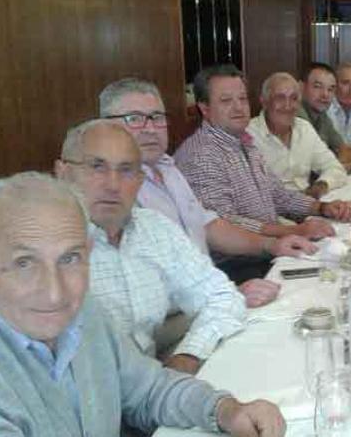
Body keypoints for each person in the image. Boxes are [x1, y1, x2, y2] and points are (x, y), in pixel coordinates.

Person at [0, 172, 286, 437]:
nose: (54, 293)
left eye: (70, 258)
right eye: (24, 263)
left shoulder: (82, 312)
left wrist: (224, 410)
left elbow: (149, 390)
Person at [56, 120, 246, 375]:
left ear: (139, 180)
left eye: (126, 170)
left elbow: (221, 295)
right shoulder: (42, 247)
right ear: (63, 173)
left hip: (152, 390)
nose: (113, 184)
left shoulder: (154, 229)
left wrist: (188, 355)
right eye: (97, 167)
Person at [99, 77, 316, 289]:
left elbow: (209, 225)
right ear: (106, 126)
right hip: (197, 299)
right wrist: (230, 295)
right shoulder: (109, 192)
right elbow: (150, 292)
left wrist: (272, 244)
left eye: (157, 117)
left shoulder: (167, 167)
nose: (150, 128)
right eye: (135, 119)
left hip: (210, 288)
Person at [174, 64, 351, 241]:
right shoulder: (201, 155)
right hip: (241, 262)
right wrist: (294, 231)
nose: (238, 107)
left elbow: (277, 195)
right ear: (204, 109)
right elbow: (225, 225)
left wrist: (322, 207)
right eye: (226, 100)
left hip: (272, 243)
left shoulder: (243, 142)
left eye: (242, 99)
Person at [247, 72, 348, 198]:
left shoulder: (304, 128)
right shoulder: (249, 135)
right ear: (264, 102)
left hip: (308, 205)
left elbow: (335, 168)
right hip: (272, 211)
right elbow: (250, 193)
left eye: (294, 98)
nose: (288, 106)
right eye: (280, 98)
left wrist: (320, 186)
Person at [297, 62, 347, 155]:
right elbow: (314, 160)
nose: (325, 94)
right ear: (301, 87)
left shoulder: (322, 115)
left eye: (330, 89)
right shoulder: (293, 112)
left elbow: (343, 150)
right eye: (318, 87)